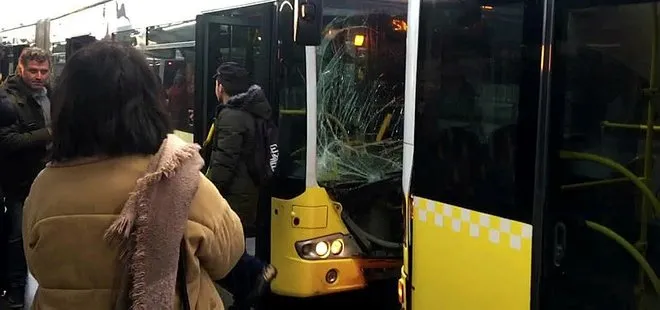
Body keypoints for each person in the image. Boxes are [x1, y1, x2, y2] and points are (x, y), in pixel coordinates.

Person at [21, 40, 245, 309]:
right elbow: (228, 256)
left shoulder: (44, 187)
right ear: (149, 102)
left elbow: (35, 265)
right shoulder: (180, 180)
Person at [207, 62, 277, 310]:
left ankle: (257, 273)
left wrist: (205, 194)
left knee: (214, 248)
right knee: (229, 245)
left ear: (221, 86)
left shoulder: (231, 117)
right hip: (249, 192)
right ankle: (245, 297)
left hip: (233, 196)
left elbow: (223, 164)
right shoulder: (251, 112)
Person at [0, 47, 52, 308]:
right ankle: (16, 290)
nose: (39, 76)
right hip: (19, 180)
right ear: (20, 68)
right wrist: (49, 133)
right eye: (33, 71)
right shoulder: (7, 99)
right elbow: (7, 141)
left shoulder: (50, 94)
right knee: (18, 235)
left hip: (47, 175)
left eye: (44, 71)